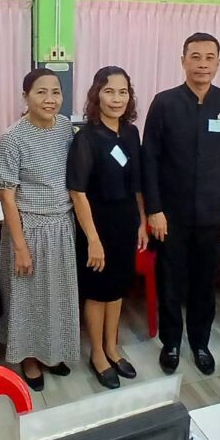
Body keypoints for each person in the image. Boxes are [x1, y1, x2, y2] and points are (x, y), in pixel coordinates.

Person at [143, 32, 220, 376]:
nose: (202, 64)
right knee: (170, 282)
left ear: (218, 62)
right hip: (170, 216)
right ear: (183, 60)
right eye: (195, 57)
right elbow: (149, 159)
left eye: (209, 57)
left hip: (214, 216)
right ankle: (171, 343)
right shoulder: (165, 103)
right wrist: (154, 209)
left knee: (205, 283)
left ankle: (200, 343)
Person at [0, 69, 79, 391]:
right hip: (28, 228)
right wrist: (20, 247)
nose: (49, 99)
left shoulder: (65, 129)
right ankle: (28, 357)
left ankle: (51, 351)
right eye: (40, 92)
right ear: (25, 96)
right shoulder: (12, 138)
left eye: (55, 92)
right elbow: (6, 195)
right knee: (27, 298)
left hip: (62, 225)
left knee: (57, 295)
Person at [67, 66, 147, 390]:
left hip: (125, 222)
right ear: (96, 94)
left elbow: (138, 182)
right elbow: (77, 192)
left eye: (122, 92)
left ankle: (113, 347)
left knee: (117, 289)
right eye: (109, 91)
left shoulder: (130, 133)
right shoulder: (86, 138)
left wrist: (142, 221)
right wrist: (93, 239)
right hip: (96, 225)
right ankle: (97, 354)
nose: (116, 98)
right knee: (98, 292)